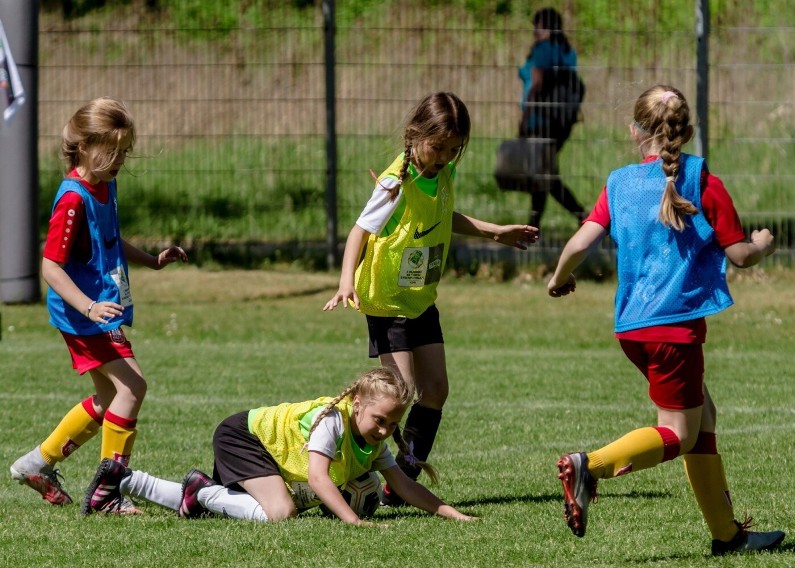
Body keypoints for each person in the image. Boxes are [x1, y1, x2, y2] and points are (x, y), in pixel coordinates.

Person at [547, 85, 785, 556]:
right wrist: (763, 244)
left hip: (632, 328)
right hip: (673, 331)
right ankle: (587, 466)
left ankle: (727, 536)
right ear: (688, 131)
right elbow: (739, 255)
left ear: (635, 132)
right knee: (679, 432)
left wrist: (558, 279)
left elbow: (579, 243)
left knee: (703, 417)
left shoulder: (618, 183)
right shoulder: (699, 178)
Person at [323, 92, 539, 506]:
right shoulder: (394, 183)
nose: (444, 157)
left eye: (453, 150)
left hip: (420, 298)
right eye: (438, 148)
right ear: (414, 135)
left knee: (436, 389)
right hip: (387, 302)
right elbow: (359, 231)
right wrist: (346, 279)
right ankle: (341, 463)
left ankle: (400, 483)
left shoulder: (442, 175)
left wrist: (495, 231)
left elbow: (443, 216)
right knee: (396, 396)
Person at [10, 97, 188, 512]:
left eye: (125, 152)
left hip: (98, 308)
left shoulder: (105, 184)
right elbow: (51, 267)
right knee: (133, 387)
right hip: (82, 314)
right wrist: (89, 307)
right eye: (113, 151)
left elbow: (110, 238)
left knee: (111, 397)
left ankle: (37, 464)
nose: (121, 160)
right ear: (85, 146)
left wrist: (151, 260)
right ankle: (109, 492)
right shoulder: (72, 199)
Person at [81, 367, 475, 525]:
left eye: (393, 423)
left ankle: (124, 479)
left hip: (258, 446)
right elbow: (320, 480)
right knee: (281, 511)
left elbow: (404, 486)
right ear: (358, 405)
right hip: (243, 437)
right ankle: (200, 491)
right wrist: (353, 521)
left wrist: (453, 514)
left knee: (248, 510)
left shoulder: (374, 440)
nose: (385, 429)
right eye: (379, 420)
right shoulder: (332, 422)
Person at [518, 7, 584, 228]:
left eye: (538, 27)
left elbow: (536, 84)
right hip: (559, 125)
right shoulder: (567, 51)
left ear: (546, 28)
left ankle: (584, 216)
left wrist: (524, 119)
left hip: (538, 122)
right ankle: (535, 225)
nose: (535, 32)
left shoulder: (543, 49)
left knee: (545, 177)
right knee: (543, 175)